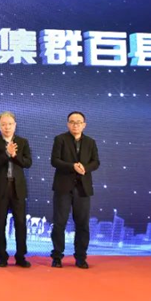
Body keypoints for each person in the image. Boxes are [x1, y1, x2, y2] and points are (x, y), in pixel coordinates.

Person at [50, 111, 100, 269]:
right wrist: (72, 166)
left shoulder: (90, 142)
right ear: (68, 124)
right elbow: (55, 161)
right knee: (59, 223)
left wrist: (85, 168)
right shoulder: (60, 139)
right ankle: (57, 257)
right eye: (72, 122)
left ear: (84, 125)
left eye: (79, 122)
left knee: (82, 224)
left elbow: (96, 162)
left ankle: (81, 257)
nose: (75, 125)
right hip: (63, 187)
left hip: (83, 188)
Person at [0, 111, 33, 268]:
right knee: (0, 223)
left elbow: (28, 163)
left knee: (20, 223)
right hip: (0, 188)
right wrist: (7, 153)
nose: (7, 127)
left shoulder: (23, 142)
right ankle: (2, 256)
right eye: (4, 124)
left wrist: (14, 155)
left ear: (15, 125)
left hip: (17, 188)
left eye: (10, 124)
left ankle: (21, 256)